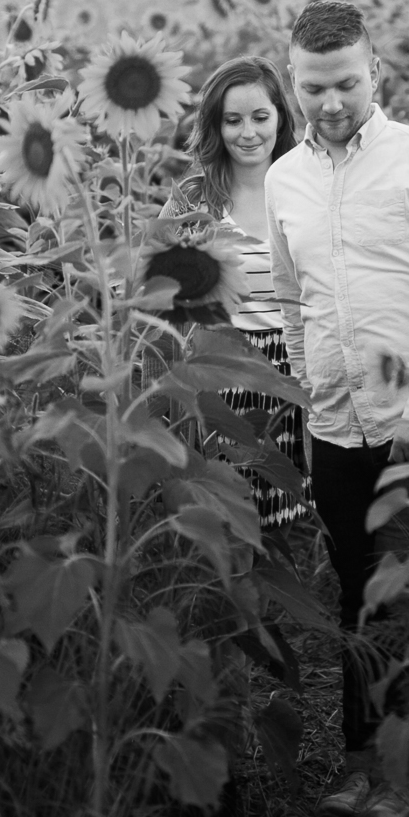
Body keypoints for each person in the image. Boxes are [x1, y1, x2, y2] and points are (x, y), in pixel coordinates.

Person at [265, 0, 409, 817]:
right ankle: (364, 764)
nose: (330, 103)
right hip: (334, 423)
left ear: (376, 74)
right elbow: (293, 300)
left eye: (346, 85)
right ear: (293, 80)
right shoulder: (285, 178)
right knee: (357, 596)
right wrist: (308, 383)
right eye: (314, 87)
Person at [159, 56, 309, 526]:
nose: (248, 133)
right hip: (220, 364)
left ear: (281, 118)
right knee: (227, 504)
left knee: (293, 500)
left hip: (293, 362)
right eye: (233, 120)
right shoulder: (195, 197)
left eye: (260, 117)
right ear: (215, 126)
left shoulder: (305, 187)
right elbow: (155, 277)